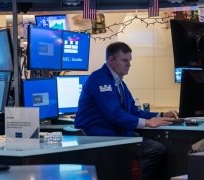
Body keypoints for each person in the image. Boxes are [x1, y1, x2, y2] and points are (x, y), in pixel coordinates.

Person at [74, 42, 179, 180]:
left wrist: (161, 115)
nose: (129, 65)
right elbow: (114, 114)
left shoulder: (119, 83)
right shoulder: (99, 79)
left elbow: (133, 111)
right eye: (124, 60)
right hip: (100, 138)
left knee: (157, 147)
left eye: (129, 61)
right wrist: (147, 123)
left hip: (116, 136)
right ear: (111, 60)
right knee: (155, 149)